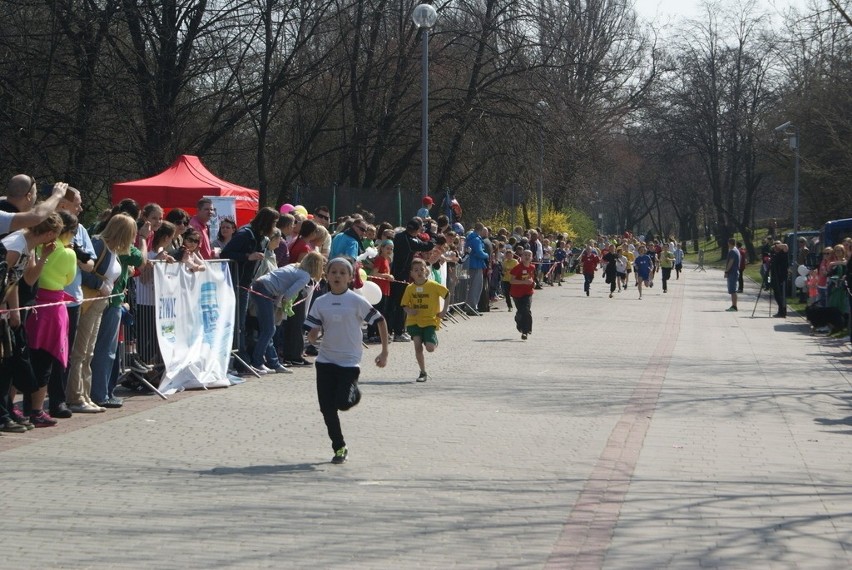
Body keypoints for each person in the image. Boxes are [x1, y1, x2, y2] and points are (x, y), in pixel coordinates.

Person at [305, 257, 389, 464]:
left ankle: (355, 393)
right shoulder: (320, 301)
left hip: (349, 362)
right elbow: (313, 328)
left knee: (342, 403)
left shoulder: (356, 301)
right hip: (325, 360)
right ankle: (339, 447)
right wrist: (313, 335)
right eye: (333, 272)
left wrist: (384, 352)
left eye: (343, 273)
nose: (337, 276)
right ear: (326, 275)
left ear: (350, 277)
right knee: (327, 408)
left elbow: (380, 321)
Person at [220, 207, 280, 363]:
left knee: (241, 323)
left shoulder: (259, 236)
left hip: (246, 283)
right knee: (237, 323)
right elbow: (225, 254)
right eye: (273, 223)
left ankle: (240, 357)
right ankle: (237, 359)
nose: (274, 228)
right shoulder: (245, 234)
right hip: (237, 283)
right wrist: (248, 256)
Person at [251, 251, 325, 374]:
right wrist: (284, 306)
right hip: (265, 290)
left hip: (261, 286)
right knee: (269, 330)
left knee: (268, 329)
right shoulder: (305, 276)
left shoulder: (294, 266)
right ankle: (258, 362)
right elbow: (289, 294)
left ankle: (273, 362)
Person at [400, 258, 448, 382]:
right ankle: (422, 372)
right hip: (414, 321)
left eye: (421, 269)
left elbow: (447, 294)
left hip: (429, 321)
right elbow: (404, 305)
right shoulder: (409, 288)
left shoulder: (433, 285)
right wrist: (409, 310)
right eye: (416, 270)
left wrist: (444, 311)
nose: (419, 272)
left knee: (430, 348)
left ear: (426, 270)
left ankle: (432, 340)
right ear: (411, 273)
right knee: (417, 346)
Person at [389, 218, 435, 340]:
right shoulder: (409, 241)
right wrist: (432, 234)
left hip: (396, 272)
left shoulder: (399, 236)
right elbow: (427, 246)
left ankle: (393, 330)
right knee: (401, 304)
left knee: (395, 303)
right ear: (415, 230)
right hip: (401, 275)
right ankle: (398, 332)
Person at [509, 249, 536, 340]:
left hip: (528, 292)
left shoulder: (532, 267)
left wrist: (533, 283)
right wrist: (523, 282)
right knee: (521, 312)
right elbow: (512, 281)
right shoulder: (517, 268)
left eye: (529, 255)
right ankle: (518, 320)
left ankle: (526, 331)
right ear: (521, 257)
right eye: (525, 255)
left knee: (526, 310)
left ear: (532, 257)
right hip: (517, 293)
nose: (527, 257)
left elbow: (530, 279)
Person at [464, 223, 489, 314]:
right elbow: (479, 253)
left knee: (471, 286)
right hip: (477, 265)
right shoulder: (477, 240)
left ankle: (469, 306)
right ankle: (473, 307)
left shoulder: (469, 238)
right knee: (476, 286)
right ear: (481, 230)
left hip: (470, 264)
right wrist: (487, 255)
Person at [769, 241, 789, 318]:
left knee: (782, 295)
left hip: (782, 277)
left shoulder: (783, 252)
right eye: (774, 245)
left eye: (777, 245)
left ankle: (783, 312)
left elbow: (786, 246)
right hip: (774, 277)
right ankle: (780, 310)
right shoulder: (774, 255)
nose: (775, 247)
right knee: (776, 295)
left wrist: (777, 245)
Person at [724, 237, 741, 312]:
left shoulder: (732, 251)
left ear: (729, 243)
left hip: (732, 272)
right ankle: (733, 305)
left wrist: (726, 271)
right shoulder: (736, 250)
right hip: (735, 272)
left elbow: (731, 262)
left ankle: (734, 306)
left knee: (733, 290)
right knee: (733, 290)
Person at [501, 245, 519, 311]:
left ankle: (517, 305)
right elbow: (502, 270)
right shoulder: (504, 262)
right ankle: (509, 306)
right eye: (507, 255)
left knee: (514, 294)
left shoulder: (515, 262)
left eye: (510, 255)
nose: (509, 256)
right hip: (505, 279)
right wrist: (504, 271)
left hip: (513, 280)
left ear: (512, 255)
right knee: (507, 294)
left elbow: (517, 270)